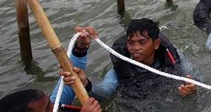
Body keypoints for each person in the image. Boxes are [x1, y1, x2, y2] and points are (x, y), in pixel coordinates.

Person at [61, 19, 198, 99]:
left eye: (142, 42)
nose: (135, 48)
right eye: (131, 43)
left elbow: (194, 77)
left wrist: (191, 88)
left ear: (156, 44)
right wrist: (86, 83)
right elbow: (105, 92)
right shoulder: (119, 70)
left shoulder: (173, 56)